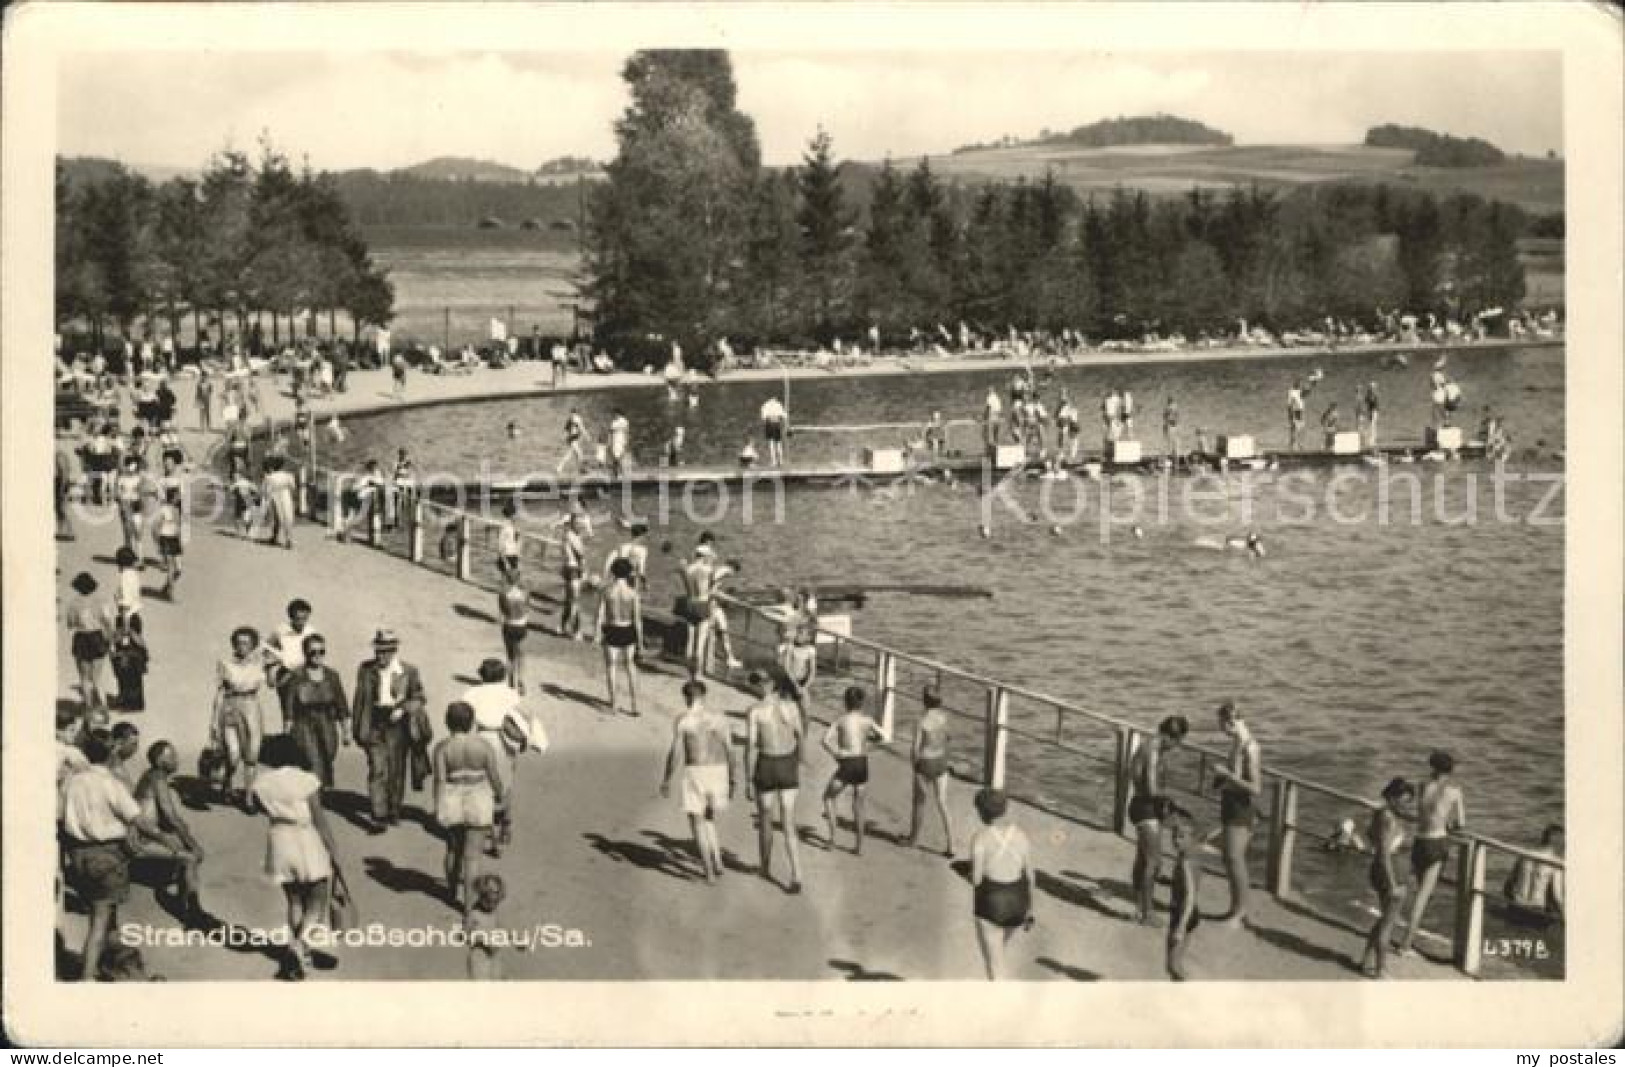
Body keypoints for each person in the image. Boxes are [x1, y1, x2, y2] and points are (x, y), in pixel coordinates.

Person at [61, 730, 156, 981]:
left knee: (103, 913)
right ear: (112, 752)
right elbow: (138, 819)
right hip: (106, 856)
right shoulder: (110, 784)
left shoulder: (72, 781)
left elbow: (61, 817)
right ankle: (87, 977)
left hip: (78, 855)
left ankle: (115, 964)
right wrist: (164, 839)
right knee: (100, 921)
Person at [251, 734, 343, 981]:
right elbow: (319, 819)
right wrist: (333, 849)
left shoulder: (262, 783)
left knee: (294, 901)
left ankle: (302, 955)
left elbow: (256, 807)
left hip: (278, 839)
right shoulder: (307, 780)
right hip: (305, 838)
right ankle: (298, 947)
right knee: (317, 901)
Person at [463, 658, 547, 858]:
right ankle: (506, 824)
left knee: (483, 790)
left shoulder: (471, 694)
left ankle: (491, 836)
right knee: (505, 785)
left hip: (481, 740)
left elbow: (463, 719)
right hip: (505, 742)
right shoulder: (511, 694)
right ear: (502, 676)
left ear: (481, 675)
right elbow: (526, 718)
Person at [432, 701, 507, 912]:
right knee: (472, 856)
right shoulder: (483, 746)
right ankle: (468, 907)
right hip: (478, 799)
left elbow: (439, 780)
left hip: (453, 799)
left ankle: (450, 889)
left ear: (447, 722)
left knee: (452, 849)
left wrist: (437, 806)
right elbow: (493, 776)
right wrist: (500, 794)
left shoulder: (442, 748)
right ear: (472, 722)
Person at [351, 628, 427, 833]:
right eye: (378, 650)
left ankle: (394, 809)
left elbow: (419, 698)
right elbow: (359, 700)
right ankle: (379, 815)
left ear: (394, 650)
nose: (380, 655)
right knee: (377, 768)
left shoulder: (409, 671)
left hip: (397, 727)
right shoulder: (365, 669)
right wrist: (357, 728)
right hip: (374, 722)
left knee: (396, 770)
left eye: (385, 651)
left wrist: (403, 709)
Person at [660, 680, 735, 882]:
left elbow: (675, 753)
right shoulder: (719, 718)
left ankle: (708, 871)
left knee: (697, 822)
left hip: (696, 771)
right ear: (704, 696)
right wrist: (733, 778)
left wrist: (666, 779)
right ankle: (718, 861)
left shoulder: (683, 719)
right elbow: (730, 750)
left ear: (686, 697)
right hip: (718, 770)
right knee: (709, 818)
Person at [1395, 750, 1466, 956]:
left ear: (1432, 766)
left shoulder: (1422, 785)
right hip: (1437, 842)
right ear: (1451, 769)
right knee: (1423, 897)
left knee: (1414, 891)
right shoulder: (1454, 791)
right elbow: (1461, 824)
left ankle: (1396, 932)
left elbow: (1420, 814)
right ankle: (1406, 945)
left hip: (1420, 841)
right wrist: (1448, 824)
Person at [129, 741, 206, 922]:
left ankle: (184, 900)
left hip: (145, 834)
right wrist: (193, 843)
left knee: (183, 843)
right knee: (191, 858)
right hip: (141, 840)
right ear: (159, 760)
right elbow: (169, 815)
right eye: (171, 756)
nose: (176, 760)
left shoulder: (151, 776)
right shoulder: (157, 778)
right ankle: (189, 909)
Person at [745, 669, 806, 894]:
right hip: (787, 763)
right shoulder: (790, 708)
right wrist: (800, 761)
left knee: (766, 819)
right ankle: (797, 873)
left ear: (764, 685)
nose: (757, 687)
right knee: (788, 823)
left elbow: (751, 747)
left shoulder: (754, 711)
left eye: (757, 683)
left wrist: (747, 779)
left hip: (767, 764)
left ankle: (765, 867)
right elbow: (800, 736)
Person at [1129, 715, 1190, 925]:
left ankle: (1139, 908)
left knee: (1142, 860)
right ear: (1172, 737)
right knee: (1153, 863)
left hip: (1140, 805)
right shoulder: (1153, 751)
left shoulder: (1148, 745)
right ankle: (1148, 914)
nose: (1175, 748)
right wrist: (1172, 799)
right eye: (1176, 743)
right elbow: (1152, 788)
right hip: (1145, 809)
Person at [970, 787, 1032, 980]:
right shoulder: (1021, 835)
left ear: (981, 812)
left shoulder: (980, 837)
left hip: (992, 902)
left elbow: (977, 879)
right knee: (999, 952)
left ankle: (999, 1003)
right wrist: (1030, 910)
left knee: (994, 964)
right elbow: (1030, 876)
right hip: (1018, 901)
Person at [820, 686, 891, 854]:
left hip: (847, 762)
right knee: (859, 806)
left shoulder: (840, 720)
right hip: (861, 763)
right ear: (862, 702)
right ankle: (859, 847)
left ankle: (831, 839)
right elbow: (886, 738)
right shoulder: (868, 720)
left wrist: (836, 754)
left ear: (845, 702)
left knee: (828, 797)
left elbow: (824, 740)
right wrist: (870, 747)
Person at [1212, 700, 1262, 928]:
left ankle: (1241, 912)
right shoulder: (1237, 742)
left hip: (1242, 808)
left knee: (1235, 859)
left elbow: (1256, 788)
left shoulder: (1249, 746)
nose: (1220, 729)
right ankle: (1236, 908)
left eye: (1221, 725)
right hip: (1231, 803)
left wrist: (1227, 775)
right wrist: (1224, 778)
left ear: (1230, 722)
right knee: (1230, 859)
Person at [1360, 777, 1415, 978]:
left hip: (1384, 870)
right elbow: (1384, 853)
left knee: (1384, 920)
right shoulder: (1388, 818)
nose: (1405, 805)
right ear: (1392, 798)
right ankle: (1381, 970)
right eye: (1403, 800)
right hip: (1390, 874)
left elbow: (1369, 835)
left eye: (1408, 801)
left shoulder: (1381, 813)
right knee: (1387, 924)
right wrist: (1392, 884)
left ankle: (1366, 961)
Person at [283, 633, 351, 791]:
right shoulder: (297, 676)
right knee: (311, 757)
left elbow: (342, 704)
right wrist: (288, 725)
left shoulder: (332, 676)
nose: (317, 656)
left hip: (327, 721)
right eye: (312, 652)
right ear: (305, 653)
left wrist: (346, 731)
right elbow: (289, 703)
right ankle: (313, 794)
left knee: (329, 753)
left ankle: (321, 788)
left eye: (321, 651)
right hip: (304, 722)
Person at [212, 626, 269, 808]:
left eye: (246, 643)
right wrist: (214, 721)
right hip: (230, 707)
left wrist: (262, 646)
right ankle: (227, 782)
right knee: (233, 754)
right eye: (239, 643)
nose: (242, 646)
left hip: (251, 707)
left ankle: (249, 797)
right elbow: (219, 693)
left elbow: (281, 659)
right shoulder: (225, 664)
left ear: (253, 645)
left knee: (251, 755)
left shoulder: (259, 664)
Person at [907, 685, 956, 856]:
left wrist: (914, 765)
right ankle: (951, 845)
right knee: (943, 802)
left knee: (919, 803)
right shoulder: (944, 717)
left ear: (924, 701)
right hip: (941, 761)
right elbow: (949, 737)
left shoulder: (921, 722)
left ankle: (913, 840)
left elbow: (915, 748)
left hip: (926, 762)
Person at [596, 556, 644, 716]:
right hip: (628, 629)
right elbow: (637, 619)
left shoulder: (607, 591)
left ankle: (614, 704)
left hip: (612, 629)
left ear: (613, 572)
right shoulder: (633, 593)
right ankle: (635, 705)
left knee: (611, 666)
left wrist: (596, 634)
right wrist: (641, 642)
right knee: (630, 666)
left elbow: (600, 615)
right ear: (629, 573)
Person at [66, 572, 113, 715]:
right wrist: (110, 640)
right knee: (97, 677)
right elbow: (107, 622)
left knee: (85, 678)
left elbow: (71, 624)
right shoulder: (101, 601)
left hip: (81, 638)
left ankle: (88, 707)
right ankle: (103, 707)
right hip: (97, 638)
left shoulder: (74, 603)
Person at [1165, 806, 1202, 981]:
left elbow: (1190, 895)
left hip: (1183, 914)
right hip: (1186, 913)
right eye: (1174, 836)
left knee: (1173, 965)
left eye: (1181, 837)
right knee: (1175, 962)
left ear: (1192, 838)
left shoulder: (1186, 862)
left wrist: (1181, 925)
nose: (1176, 841)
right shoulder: (1191, 854)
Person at [1503, 824, 1565, 924]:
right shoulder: (1555, 863)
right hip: (1536, 911)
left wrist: (1511, 903)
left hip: (1516, 907)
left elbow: (1508, 885)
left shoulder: (1524, 855)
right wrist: (1564, 917)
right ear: (1559, 843)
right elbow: (1557, 897)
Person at [465, 872, 508, 980]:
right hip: (479, 957)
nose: (493, 906)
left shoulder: (494, 911)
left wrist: (515, 939)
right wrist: (484, 941)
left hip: (495, 955)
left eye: (496, 902)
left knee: (498, 981)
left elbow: (500, 927)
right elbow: (467, 934)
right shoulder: (474, 914)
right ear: (480, 897)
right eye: (489, 902)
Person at [497, 568, 532, 695]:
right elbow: (527, 608)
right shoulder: (525, 593)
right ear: (518, 579)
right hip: (521, 625)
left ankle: (511, 682)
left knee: (510, 655)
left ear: (507, 578)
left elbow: (502, 611)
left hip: (508, 624)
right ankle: (521, 681)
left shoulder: (502, 594)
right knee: (521, 656)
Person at [557, 511, 588, 641]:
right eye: (577, 523)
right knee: (575, 601)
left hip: (571, 568)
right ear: (571, 523)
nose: (580, 525)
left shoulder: (571, 535)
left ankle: (563, 626)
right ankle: (576, 630)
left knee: (570, 600)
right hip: (573, 569)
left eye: (581, 523)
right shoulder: (571, 535)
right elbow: (580, 553)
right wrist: (585, 570)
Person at [261, 456, 298, 549]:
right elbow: (293, 487)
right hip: (286, 495)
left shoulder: (269, 477)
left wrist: (266, 501)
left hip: (275, 496)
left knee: (277, 518)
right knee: (288, 516)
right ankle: (289, 539)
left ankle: (275, 537)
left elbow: (265, 491)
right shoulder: (289, 475)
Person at [153, 487, 184, 597]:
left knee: (179, 569)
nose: (180, 498)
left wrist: (180, 541)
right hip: (165, 538)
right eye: (178, 496)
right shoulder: (163, 509)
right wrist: (158, 543)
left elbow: (178, 527)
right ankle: (170, 592)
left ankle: (166, 587)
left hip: (174, 539)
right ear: (172, 497)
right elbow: (155, 527)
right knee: (171, 567)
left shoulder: (177, 509)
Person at [114, 455, 149, 550]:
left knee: (138, 531)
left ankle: (139, 557)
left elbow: (142, 494)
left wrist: (142, 506)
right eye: (129, 465)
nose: (131, 467)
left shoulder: (140, 478)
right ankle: (129, 553)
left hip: (136, 505)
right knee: (127, 531)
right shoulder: (122, 478)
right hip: (125, 506)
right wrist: (121, 500)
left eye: (133, 465)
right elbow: (117, 494)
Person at [496, 499, 522, 584]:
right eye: (515, 514)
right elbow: (501, 545)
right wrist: (505, 561)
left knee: (512, 581)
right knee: (507, 581)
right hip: (506, 556)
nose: (517, 516)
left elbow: (514, 541)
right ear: (511, 515)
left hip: (512, 555)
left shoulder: (512, 526)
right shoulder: (505, 527)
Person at [759, 393, 789, 467]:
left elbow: (763, 417)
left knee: (772, 443)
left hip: (769, 424)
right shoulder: (778, 404)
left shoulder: (765, 405)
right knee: (778, 443)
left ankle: (774, 462)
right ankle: (780, 461)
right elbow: (784, 415)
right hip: (776, 424)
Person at [557, 407, 587, 474]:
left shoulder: (570, 419)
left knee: (572, 454)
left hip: (572, 438)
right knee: (579, 454)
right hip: (573, 439)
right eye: (573, 413)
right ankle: (582, 469)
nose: (573, 414)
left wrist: (565, 437)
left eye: (573, 413)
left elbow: (566, 430)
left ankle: (560, 467)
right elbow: (581, 427)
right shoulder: (576, 418)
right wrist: (587, 435)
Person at [607, 408, 632, 479]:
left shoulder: (624, 421)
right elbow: (610, 433)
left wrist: (627, 441)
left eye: (615, 414)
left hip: (621, 440)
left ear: (618, 413)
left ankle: (621, 472)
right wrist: (609, 442)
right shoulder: (613, 422)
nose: (614, 415)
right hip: (614, 441)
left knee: (619, 457)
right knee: (614, 457)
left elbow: (627, 432)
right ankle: (616, 473)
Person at [1286, 380, 1307, 451]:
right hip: (1295, 411)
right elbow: (1289, 404)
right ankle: (1293, 446)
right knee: (1295, 428)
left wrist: (1314, 381)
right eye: (1298, 384)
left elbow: (1304, 394)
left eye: (1299, 384)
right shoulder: (1292, 392)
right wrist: (1290, 415)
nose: (1299, 385)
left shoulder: (1298, 391)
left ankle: (1299, 445)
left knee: (1300, 428)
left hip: (1300, 411)